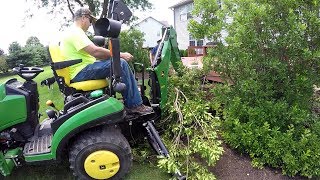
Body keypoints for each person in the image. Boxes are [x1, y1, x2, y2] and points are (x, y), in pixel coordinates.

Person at [60, 7, 153, 115]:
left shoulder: (73, 32)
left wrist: (112, 56)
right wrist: (121, 55)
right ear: (84, 18)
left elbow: (96, 55)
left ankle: (128, 98)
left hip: (80, 69)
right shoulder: (76, 32)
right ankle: (134, 105)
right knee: (121, 64)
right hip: (80, 71)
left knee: (116, 62)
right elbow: (95, 51)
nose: (90, 24)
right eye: (90, 20)